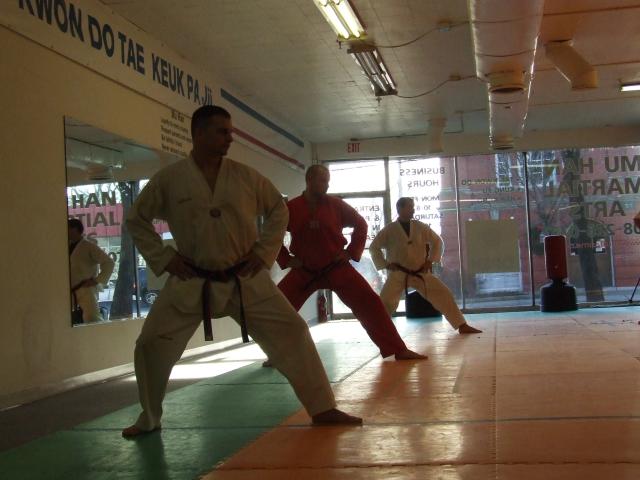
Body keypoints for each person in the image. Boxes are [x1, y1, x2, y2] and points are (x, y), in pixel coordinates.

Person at [121, 106, 360, 438]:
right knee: (150, 344)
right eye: (222, 131)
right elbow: (136, 219)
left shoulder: (246, 177)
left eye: (230, 131)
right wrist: (163, 257)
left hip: (244, 278)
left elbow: (278, 209)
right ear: (199, 133)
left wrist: (263, 252)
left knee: (293, 331)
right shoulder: (170, 180)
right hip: (191, 280)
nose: (230, 138)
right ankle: (149, 417)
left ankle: (323, 407)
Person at [275, 165, 426, 361]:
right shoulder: (292, 208)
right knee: (277, 307)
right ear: (309, 180)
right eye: (323, 180)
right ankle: (275, 352)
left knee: (371, 303)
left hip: (336, 268)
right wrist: (286, 259)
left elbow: (361, 224)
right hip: (304, 270)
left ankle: (398, 349)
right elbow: (272, 233)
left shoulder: (335, 205)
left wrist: (350, 252)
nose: (327, 185)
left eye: (328, 181)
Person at [370, 197, 482, 334]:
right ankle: (379, 330)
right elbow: (374, 247)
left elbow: (437, 242)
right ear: (400, 209)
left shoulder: (420, 226)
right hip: (399, 273)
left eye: (413, 207)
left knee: (443, 294)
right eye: (410, 207)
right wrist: (386, 264)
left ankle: (461, 325)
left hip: (420, 272)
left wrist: (430, 261)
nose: (413, 210)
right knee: (385, 301)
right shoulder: (389, 230)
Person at [68, 218, 114, 323]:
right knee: (68, 321)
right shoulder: (66, 246)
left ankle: (98, 334)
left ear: (75, 229)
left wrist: (97, 280)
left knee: (92, 318)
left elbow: (109, 262)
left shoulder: (88, 246)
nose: (67, 232)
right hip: (70, 290)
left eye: (69, 228)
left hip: (86, 288)